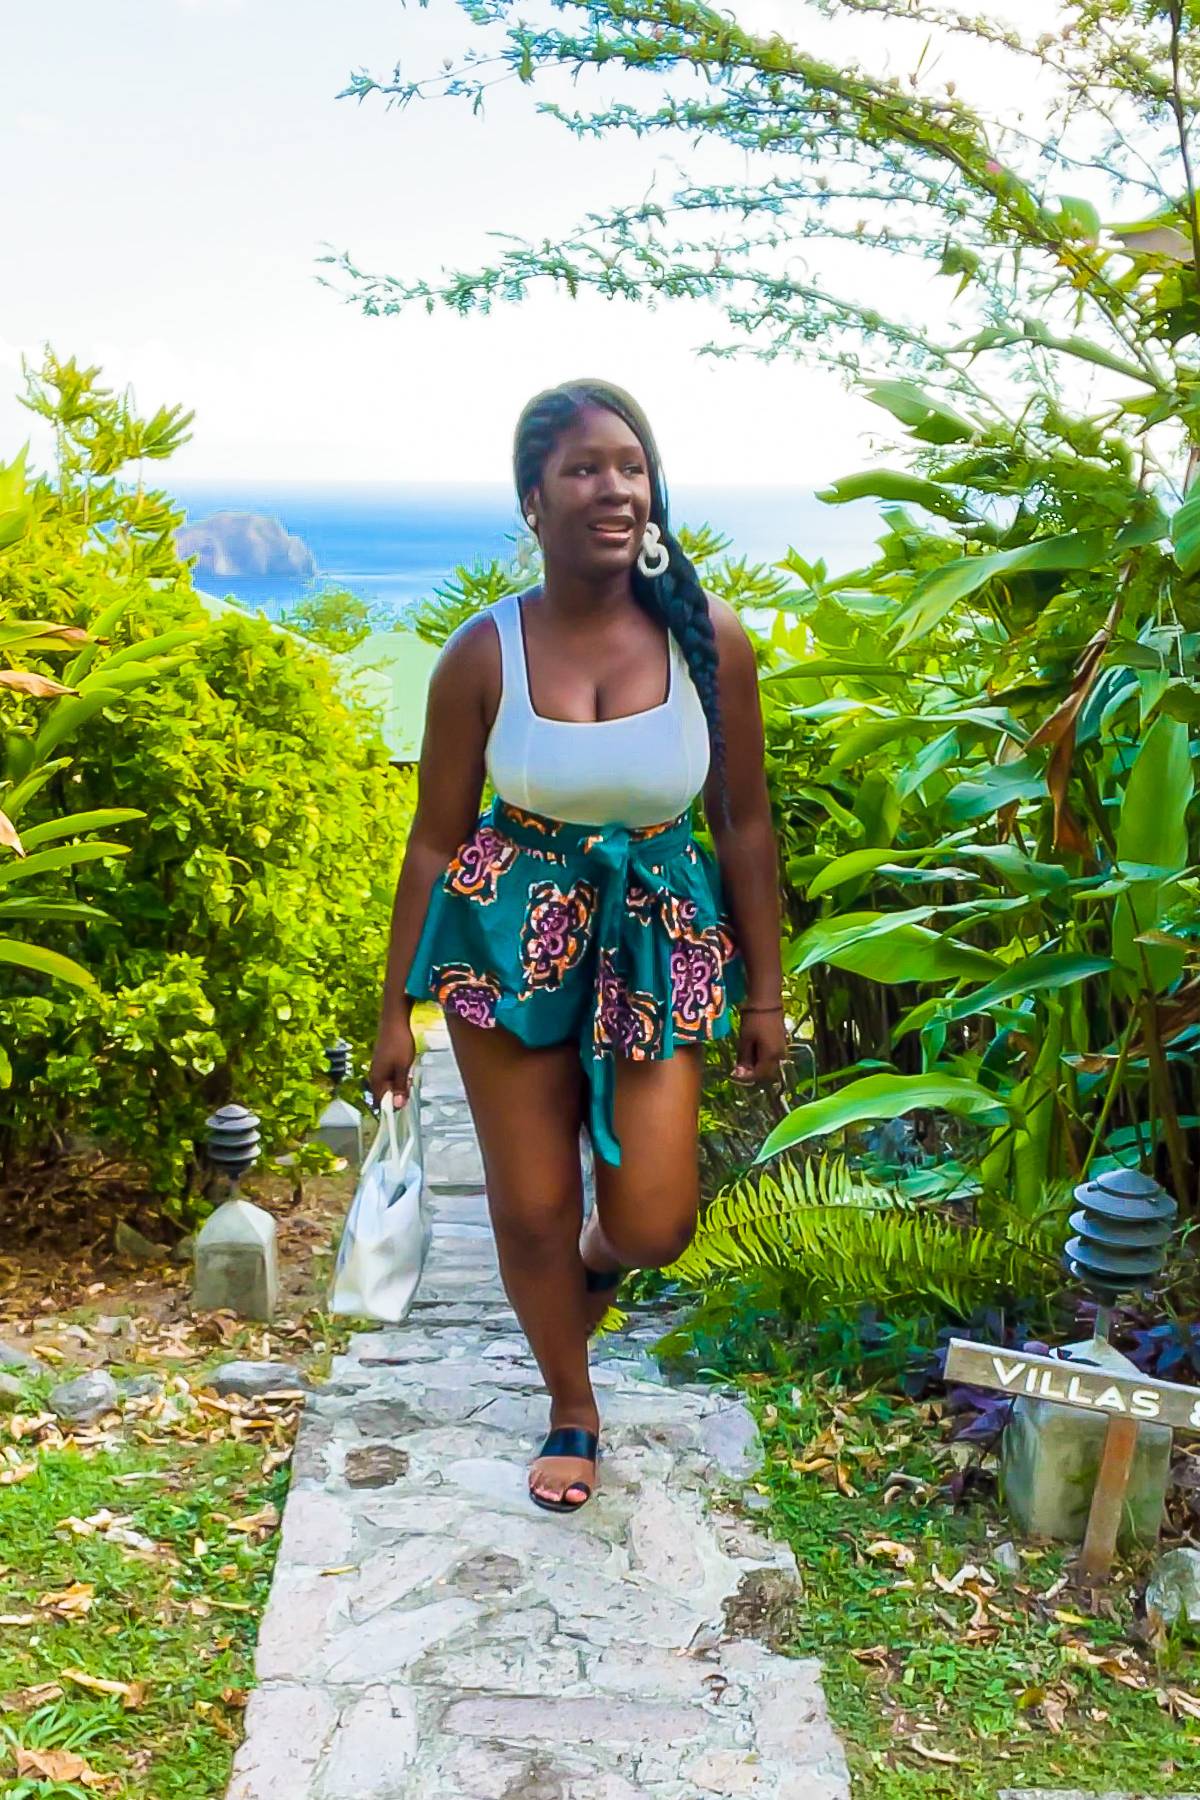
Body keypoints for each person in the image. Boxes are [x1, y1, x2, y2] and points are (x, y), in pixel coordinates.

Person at [370, 379, 785, 1513]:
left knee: (652, 1221)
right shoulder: (483, 653)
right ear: (533, 502)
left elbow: (744, 824)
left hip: (657, 936)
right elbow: (432, 840)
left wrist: (765, 993)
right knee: (532, 1205)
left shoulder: (711, 645)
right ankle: (572, 1403)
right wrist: (393, 1011)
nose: (614, 489)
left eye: (632, 467)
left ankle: (592, 1271)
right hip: (508, 941)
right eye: (585, 470)